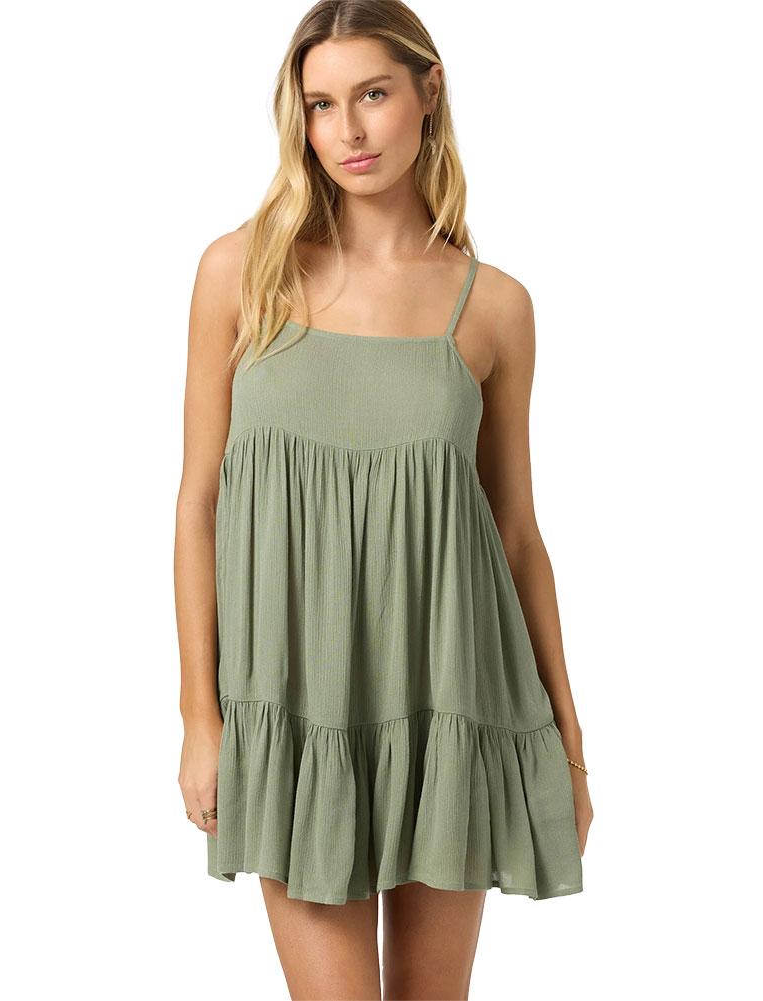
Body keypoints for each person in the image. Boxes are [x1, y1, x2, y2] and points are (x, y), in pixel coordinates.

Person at [174, 1, 593, 996]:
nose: (347, 131)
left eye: (371, 94)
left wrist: (569, 748)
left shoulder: (493, 305)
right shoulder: (240, 273)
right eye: (321, 105)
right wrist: (198, 714)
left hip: (450, 705)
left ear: (427, 91)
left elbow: (515, 535)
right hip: (294, 712)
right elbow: (198, 502)